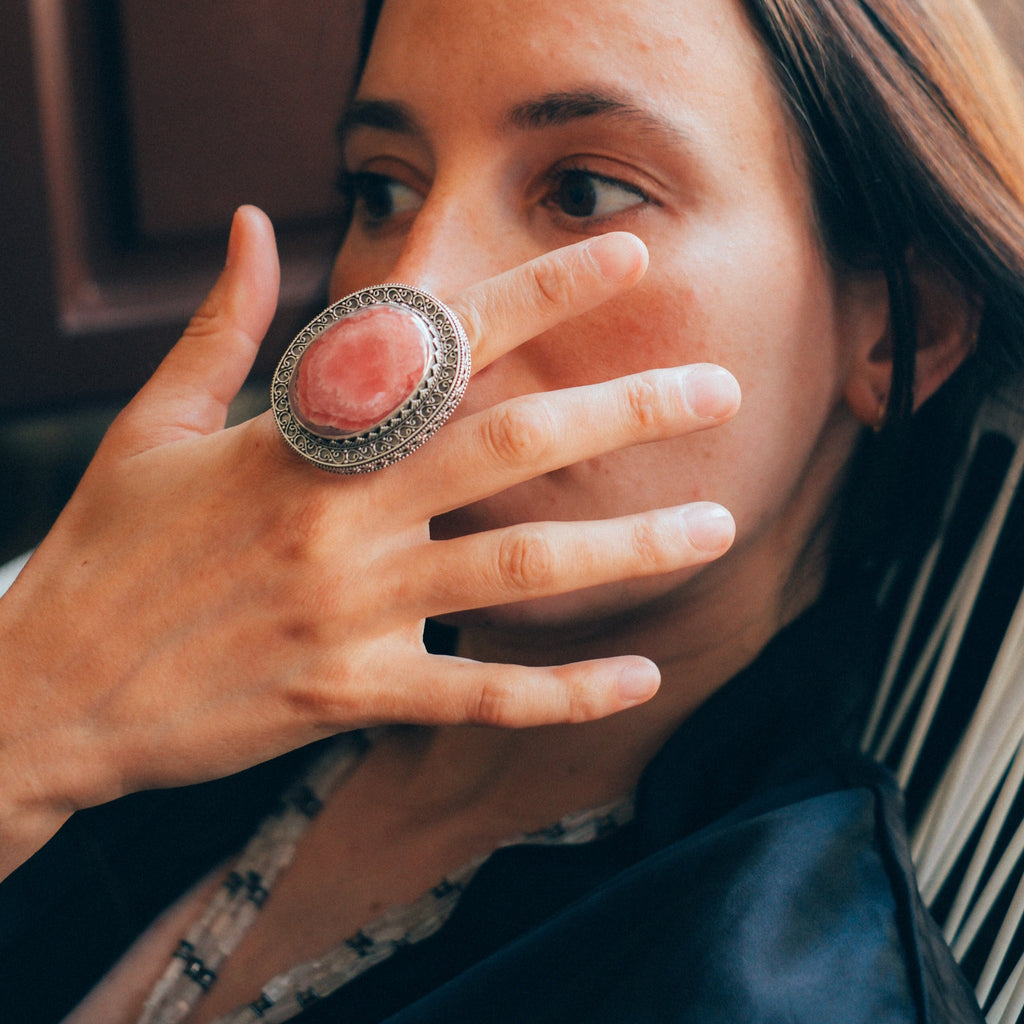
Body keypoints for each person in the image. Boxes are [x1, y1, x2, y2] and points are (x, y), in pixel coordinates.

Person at [2, 0, 1024, 1020]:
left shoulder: (768, 987)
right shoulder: (173, 666)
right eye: (383, 188)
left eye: (583, 192)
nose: (408, 308)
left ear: (897, 331)